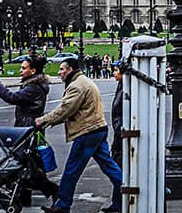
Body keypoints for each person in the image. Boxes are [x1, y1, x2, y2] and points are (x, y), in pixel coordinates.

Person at [36, 57, 122, 213]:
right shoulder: (84, 80)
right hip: (98, 128)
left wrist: (43, 120)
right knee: (110, 168)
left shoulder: (77, 86)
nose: (59, 72)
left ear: (70, 69)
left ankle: (62, 206)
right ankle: (123, 196)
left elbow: (65, 109)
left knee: (71, 171)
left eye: (62, 69)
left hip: (87, 132)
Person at [0, 54, 58, 204]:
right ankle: (26, 196)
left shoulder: (32, 88)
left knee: (25, 164)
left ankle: (51, 190)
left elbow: (11, 97)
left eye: (23, 68)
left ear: (32, 71)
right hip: (29, 127)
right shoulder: (34, 85)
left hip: (27, 128)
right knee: (28, 164)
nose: (20, 70)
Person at [109, 61, 123, 164]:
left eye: (116, 70)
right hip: (118, 129)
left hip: (120, 129)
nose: (114, 73)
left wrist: (118, 128)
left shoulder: (125, 88)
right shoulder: (121, 86)